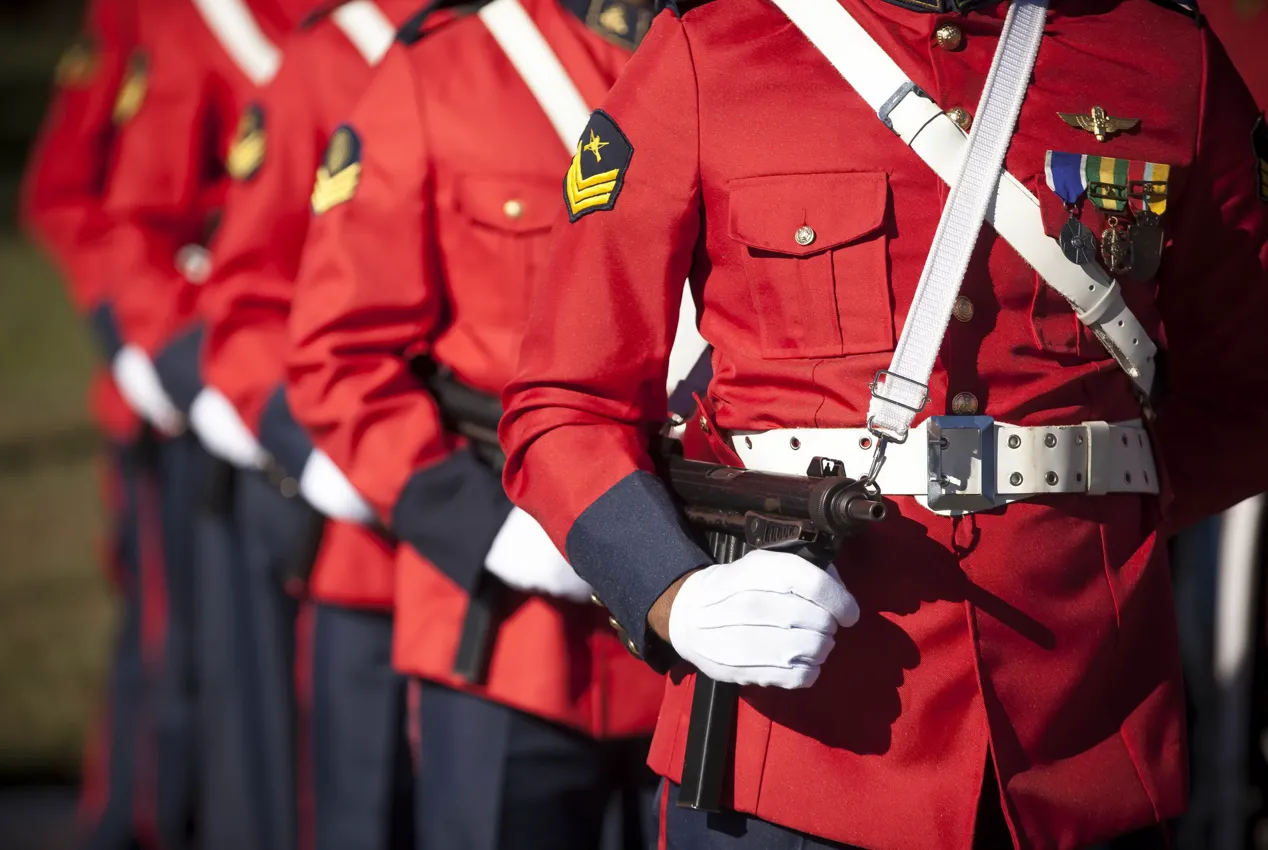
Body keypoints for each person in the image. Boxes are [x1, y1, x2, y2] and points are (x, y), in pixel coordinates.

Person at [498, 0, 1268, 848]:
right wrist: (674, 593)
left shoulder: (1163, 52)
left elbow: (1247, 392)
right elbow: (566, 402)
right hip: (795, 746)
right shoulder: (714, 48)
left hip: (1086, 739)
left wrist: (1093, 524)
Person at [283, 0, 705, 845]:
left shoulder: (757, 57)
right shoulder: (449, 67)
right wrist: (484, 529)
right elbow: (340, 355)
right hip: (512, 638)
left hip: (715, 631)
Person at [193, 1, 424, 847]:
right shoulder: (335, 56)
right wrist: (318, 446)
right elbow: (248, 301)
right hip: (381, 536)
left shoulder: (621, 39)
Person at [96, 1, 296, 847]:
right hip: (230, 394)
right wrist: (182, 368)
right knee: (201, 674)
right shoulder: (198, 22)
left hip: (349, 394)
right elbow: (131, 222)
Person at [20, 3, 163, 848]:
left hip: (286, 396)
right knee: (162, 636)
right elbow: (62, 194)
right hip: (168, 382)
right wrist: (138, 341)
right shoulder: (145, 20)